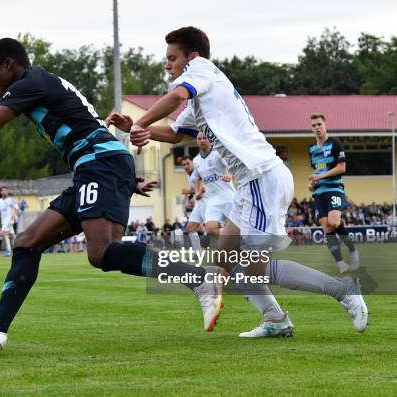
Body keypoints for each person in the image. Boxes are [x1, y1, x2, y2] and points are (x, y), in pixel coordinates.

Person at [0, 37, 220, 355]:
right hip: (98, 166)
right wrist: (121, 177)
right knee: (28, 241)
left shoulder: (30, 82)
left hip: (99, 164)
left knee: (102, 253)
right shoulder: (40, 82)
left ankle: (198, 279)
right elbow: (86, 121)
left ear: (9, 65)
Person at [106, 26, 367, 337]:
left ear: (192, 57)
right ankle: (276, 321)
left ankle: (343, 289)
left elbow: (176, 95)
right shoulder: (199, 97)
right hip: (250, 184)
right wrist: (135, 126)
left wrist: (141, 122)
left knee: (250, 273)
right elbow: (175, 134)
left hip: (261, 178)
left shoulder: (200, 69)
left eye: (171, 58)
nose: (167, 64)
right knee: (223, 260)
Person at [308, 113, 359, 273]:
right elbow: (316, 170)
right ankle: (340, 264)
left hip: (335, 188)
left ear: (325, 125)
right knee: (327, 228)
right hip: (319, 192)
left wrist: (320, 176)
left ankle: (352, 249)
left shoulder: (335, 144)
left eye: (319, 124)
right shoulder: (311, 149)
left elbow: (342, 168)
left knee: (335, 222)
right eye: (314, 125)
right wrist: (312, 183)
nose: (317, 128)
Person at [184, 133, 236, 251]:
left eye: (204, 138)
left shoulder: (218, 154)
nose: (202, 140)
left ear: (210, 140)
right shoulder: (196, 160)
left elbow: (233, 165)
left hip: (228, 198)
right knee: (210, 229)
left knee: (237, 228)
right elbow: (197, 178)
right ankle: (233, 242)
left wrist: (230, 174)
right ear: (196, 141)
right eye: (199, 138)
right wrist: (198, 192)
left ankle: (240, 242)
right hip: (212, 200)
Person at [0, 186, 19, 257]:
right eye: (3, 190)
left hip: (9, 220)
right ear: (0, 192)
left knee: (4, 234)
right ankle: (17, 249)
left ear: (8, 192)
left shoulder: (10, 200)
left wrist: (14, 214)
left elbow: (16, 208)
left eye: (6, 190)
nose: (4, 192)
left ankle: (9, 251)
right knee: (12, 235)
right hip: (3, 221)